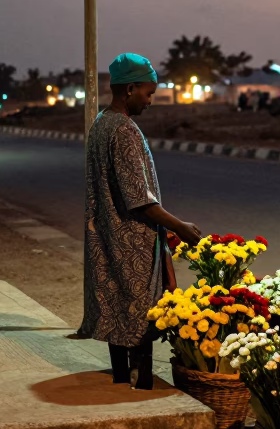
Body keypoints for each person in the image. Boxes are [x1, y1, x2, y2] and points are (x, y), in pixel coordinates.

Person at [77, 52, 202, 388]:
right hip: (133, 241)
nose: (151, 100)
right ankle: (141, 382)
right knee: (140, 313)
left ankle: (121, 378)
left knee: (117, 307)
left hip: (107, 235)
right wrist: (180, 227)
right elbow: (139, 200)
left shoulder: (101, 123)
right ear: (129, 88)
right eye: (148, 93)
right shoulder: (126, 130)